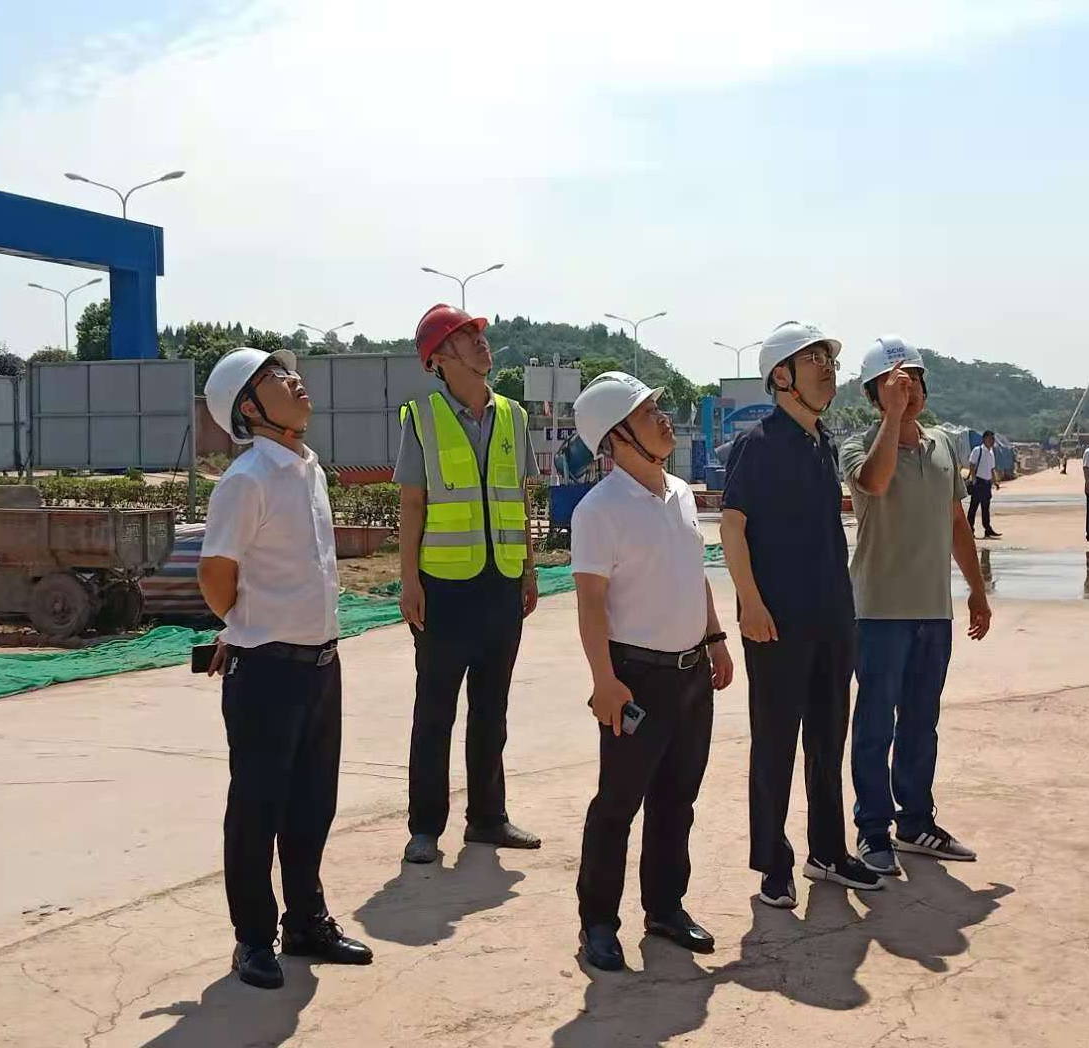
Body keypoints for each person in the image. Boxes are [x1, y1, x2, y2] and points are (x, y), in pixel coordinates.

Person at [199, 347, 374, 990]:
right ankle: (253, 938)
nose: (295, 381)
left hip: (321, 663)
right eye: (276, 377)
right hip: (267, 669)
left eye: (291, 372)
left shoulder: (309, 469)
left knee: (312, 804)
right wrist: (247, 627)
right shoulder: (247, 479)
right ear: (248, 407)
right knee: (257, 809)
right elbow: (216, 575)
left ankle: (306, 922)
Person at [568, 372, 736, 972]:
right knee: (618, 804)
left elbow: (694, 574)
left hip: (692, 673)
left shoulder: (682, 494)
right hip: (634, 677)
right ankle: (598, 922)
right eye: (648, 413)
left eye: (659, 409)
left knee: (677, 800)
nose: (665, 420)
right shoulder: (598, 510)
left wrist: (715, 639)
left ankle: (665, 908)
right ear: (616, 437)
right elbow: (590, 604)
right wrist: (603, 681)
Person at [720, 321, 883, 908]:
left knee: (827, 738)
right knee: (774, 744)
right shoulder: (758, 444)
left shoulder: (823, 442)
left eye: (830, 360)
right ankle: (773, 863)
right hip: (776, 621)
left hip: (831, 617)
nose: (828, 369)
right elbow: (732, 527)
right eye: (814, 359)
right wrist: (750, 602)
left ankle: (828, 852)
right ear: (782, 376)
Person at [397, 304, 543, 865]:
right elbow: (413, 503)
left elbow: (520, 498)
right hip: (443, 588)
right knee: (434, 711)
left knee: (491, 709)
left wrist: (528, 568)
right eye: (465, 336)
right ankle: (424, 828)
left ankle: (487, 818)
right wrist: (409, 582)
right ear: (439, 358)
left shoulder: (513, 415)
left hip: (501, 583)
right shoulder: (422, 418)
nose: (482, 343)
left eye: (479, 334)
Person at [842, 337, 991, 876]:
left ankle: (916, 822)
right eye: (897, 384)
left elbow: (955, 521)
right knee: (875, 724)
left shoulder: (942, 445)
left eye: (917, 381)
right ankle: (872, 831)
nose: (911, 390)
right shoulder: (858, 447)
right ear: (874, 395)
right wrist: (893, 416)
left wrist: (976, 589)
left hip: (933, 610)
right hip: (879, 611)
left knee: (921, 723)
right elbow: (876, 481)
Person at [966, 431, 1002, 539]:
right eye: (991, 439)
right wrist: (974, 479)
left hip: (987, 484)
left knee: (986, 508)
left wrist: (995, 481)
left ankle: (987, 529)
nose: (992, 441)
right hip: (978, 482)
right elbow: (972, 465)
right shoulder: (978, 450)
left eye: (993, 439)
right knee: (973, 507)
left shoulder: (991, 453)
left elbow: (992, 469)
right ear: (985, 439)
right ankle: (969, 530)